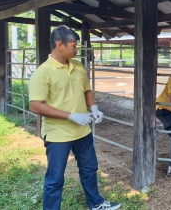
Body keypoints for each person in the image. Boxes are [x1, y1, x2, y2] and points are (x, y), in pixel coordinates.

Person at [28, 25, 120, 210]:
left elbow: (86, 90)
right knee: (55, 179)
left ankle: (95, 203)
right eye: (74, 45)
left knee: (89, 169)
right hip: (58, 135)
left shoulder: (77, 66)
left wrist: (94, 107)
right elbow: (36, 105)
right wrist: (71, 116)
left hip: (82, 131)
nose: (77, 49)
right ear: (59, 44)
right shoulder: (43, 72)